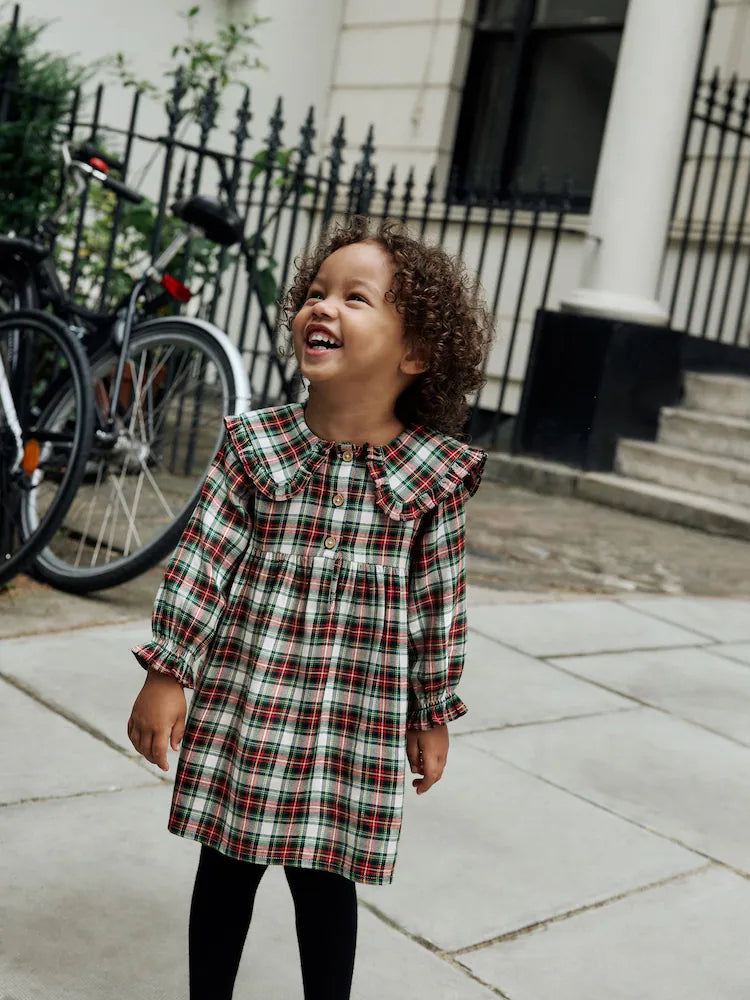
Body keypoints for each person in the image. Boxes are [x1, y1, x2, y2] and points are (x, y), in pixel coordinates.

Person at [127, 215, 492, 1000]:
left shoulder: (430, 476)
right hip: (248, 697)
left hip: (350, 712)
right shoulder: (256, 447)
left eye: (356, 299)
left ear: (415, 353)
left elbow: (439, 604)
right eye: (317, 293)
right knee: (226, 864)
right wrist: (168, 670)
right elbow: (202, 562)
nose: (323, 307)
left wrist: (432, 710)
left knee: (324, 881)